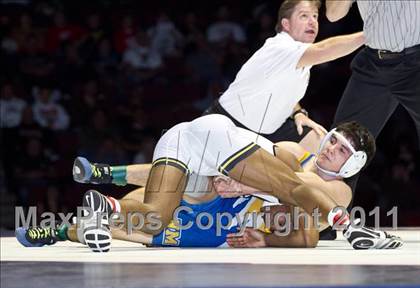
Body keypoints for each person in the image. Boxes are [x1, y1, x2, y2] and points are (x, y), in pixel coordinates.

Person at [16, 120, 402, 250]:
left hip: (187, 147)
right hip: (222, 169)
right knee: (282, 186)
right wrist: (245, 182)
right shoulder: (290, 152)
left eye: (341, 149)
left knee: (150, 220)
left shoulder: (340, 190)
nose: (330, 148)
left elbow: (307, 236)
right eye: (332, 139)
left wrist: (267, 238)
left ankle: (94, 211)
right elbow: (294, 188)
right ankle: (350, 229)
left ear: (353, 164)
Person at [204, 0, 365, 143]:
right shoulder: (280, 47)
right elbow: (324, 49)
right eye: (304, 16)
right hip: (227, 125)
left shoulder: (300, 57)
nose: (312, 22)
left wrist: (298, 113)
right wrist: (369, 35)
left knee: (320, 141)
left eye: (315, 16)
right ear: (286, 25)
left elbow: (283, 92)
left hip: (267, 132)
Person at [325, 1, 420, 192]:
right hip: (373, 64)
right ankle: (331, 218)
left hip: (416, 63)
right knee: (342, 145)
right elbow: (333, 14)